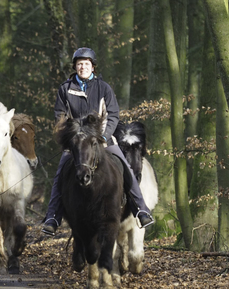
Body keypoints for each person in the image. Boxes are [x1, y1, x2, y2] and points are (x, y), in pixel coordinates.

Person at [41, 47, 154, 236]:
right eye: (79, 64)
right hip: (77, 143)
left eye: (86, 64)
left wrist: (103, 135)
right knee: (60, 174)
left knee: (125, 167)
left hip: (103, 139)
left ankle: (141, 209)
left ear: (92, 67)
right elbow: (60, 117)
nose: (82, 67)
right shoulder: (65, 89)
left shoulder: (104, 88)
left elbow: (113, 115)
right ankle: (53, 217)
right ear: (75, 67)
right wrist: (71, 137)